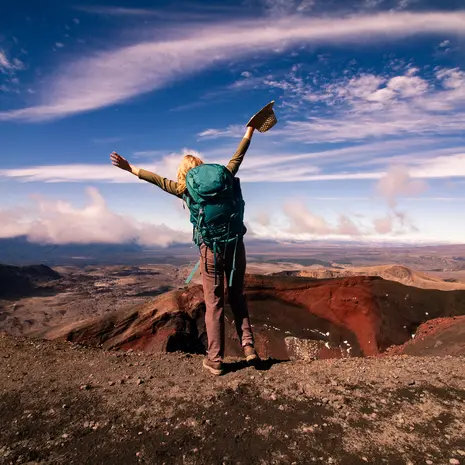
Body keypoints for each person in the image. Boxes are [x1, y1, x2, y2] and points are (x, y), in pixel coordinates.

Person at [110, 103, 276, 376]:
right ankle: (249, 348)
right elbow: (239, 155)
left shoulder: (184, 188)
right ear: (201, 167)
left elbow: (155, 179)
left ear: (184, 172)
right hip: (235, 245)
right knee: (237, 296)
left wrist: (129, 168)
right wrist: (249, 130)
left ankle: (215, 359)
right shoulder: (225, 175)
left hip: (210, 250)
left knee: (214, 303)